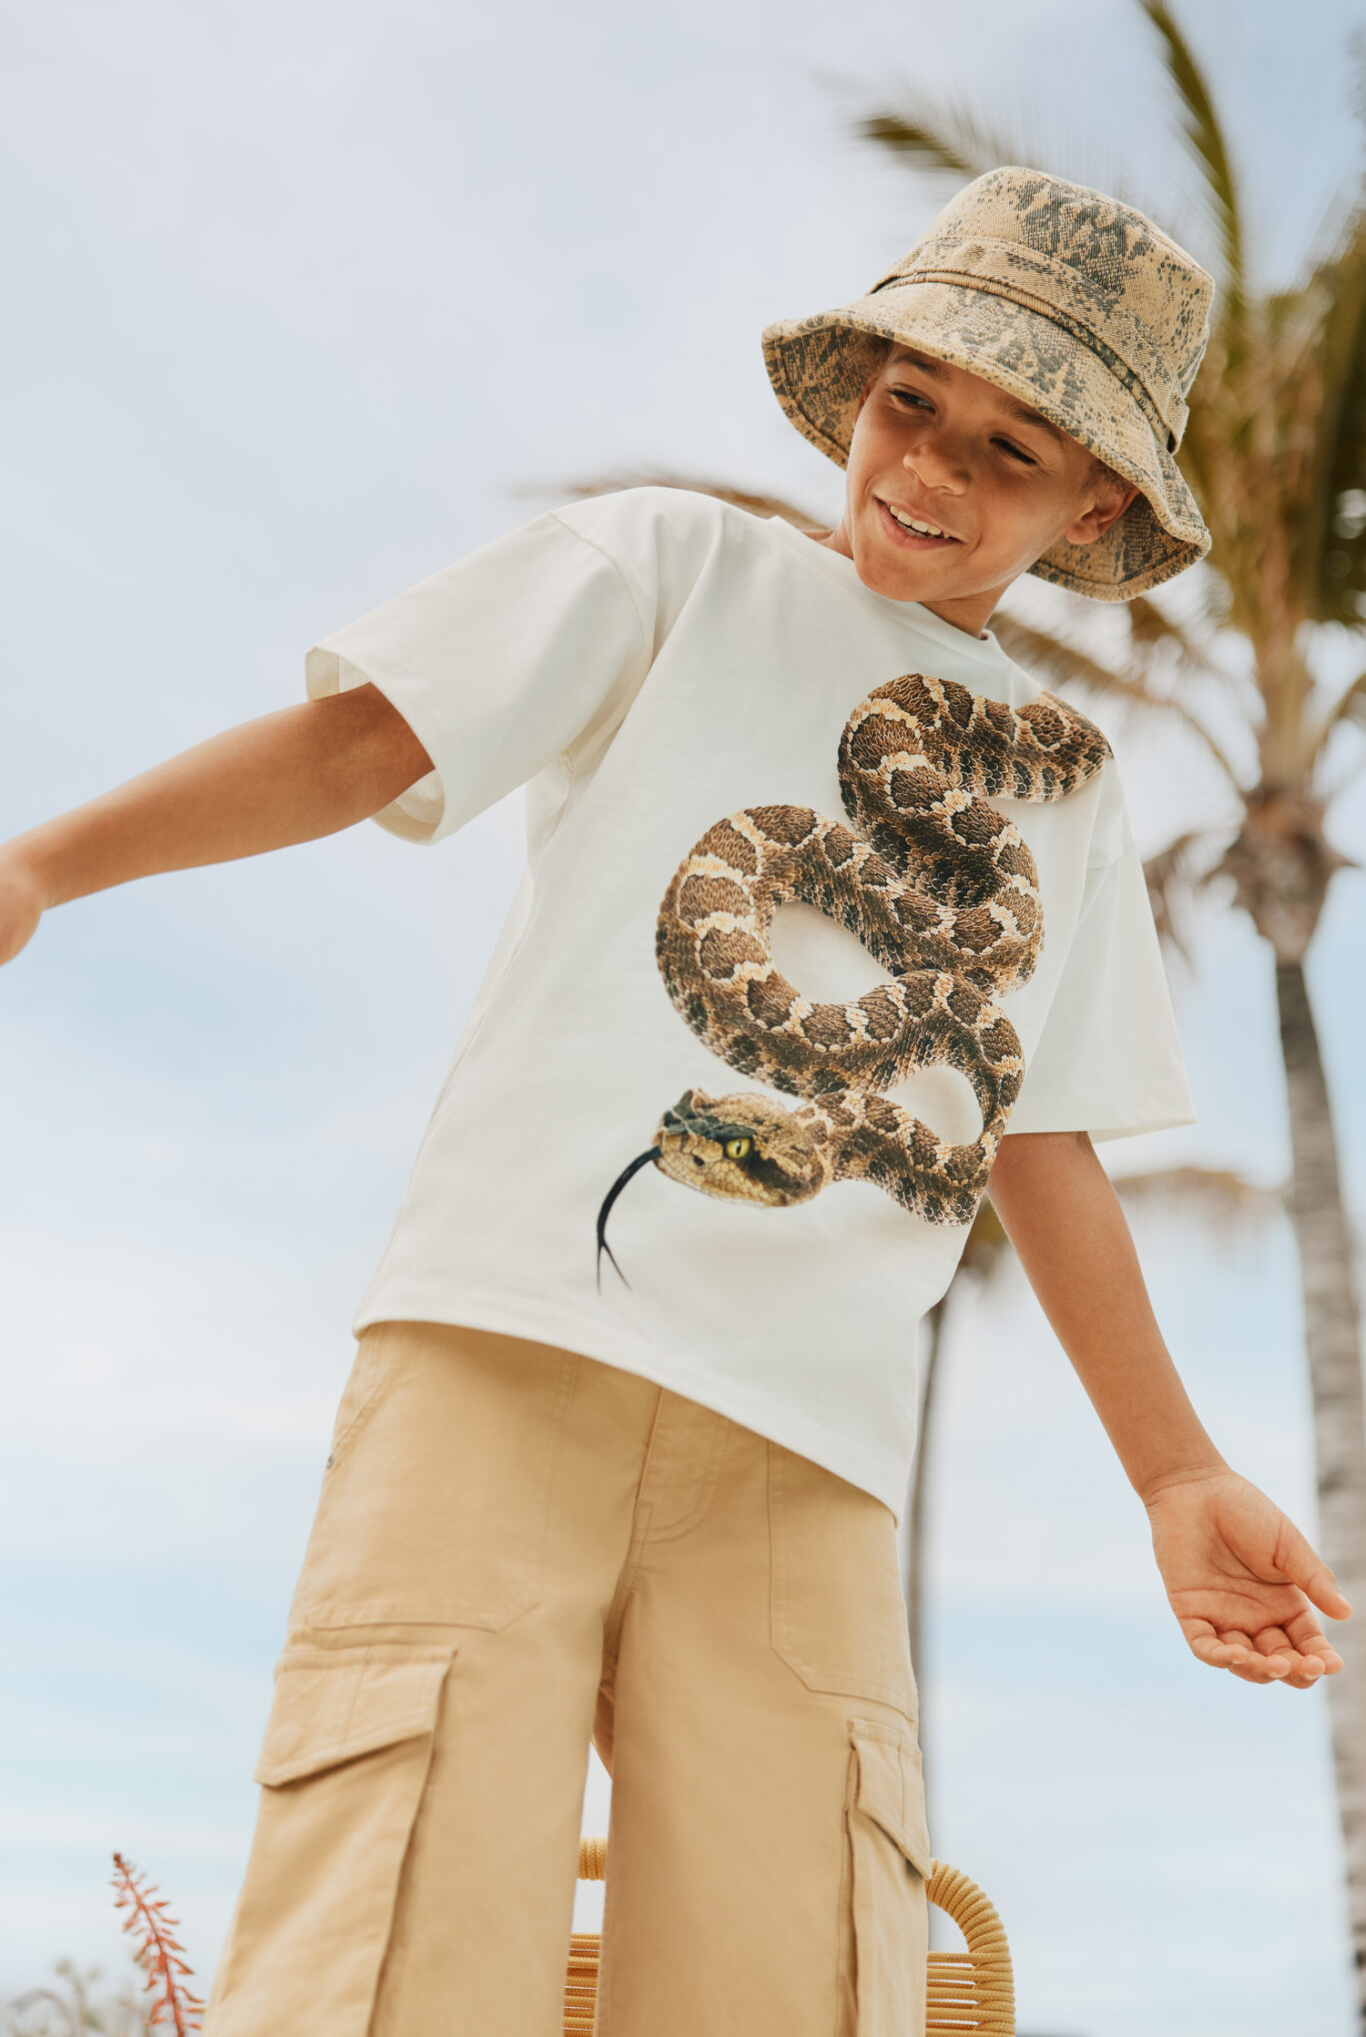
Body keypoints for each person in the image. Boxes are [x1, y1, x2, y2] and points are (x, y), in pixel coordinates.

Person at [0, 168, 1350, 2037]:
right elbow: (361, 742)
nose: (933, 474)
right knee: (391, 1932)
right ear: (859, 389)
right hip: (506, 1348)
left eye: (1011, 450)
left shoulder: (1061, 787)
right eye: (911, 407)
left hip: (805, 1464)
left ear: (1093, 501)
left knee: (797, 1974)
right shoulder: (669, 565)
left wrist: (1175, 1469)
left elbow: (1029, 1140)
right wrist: (45, 867)